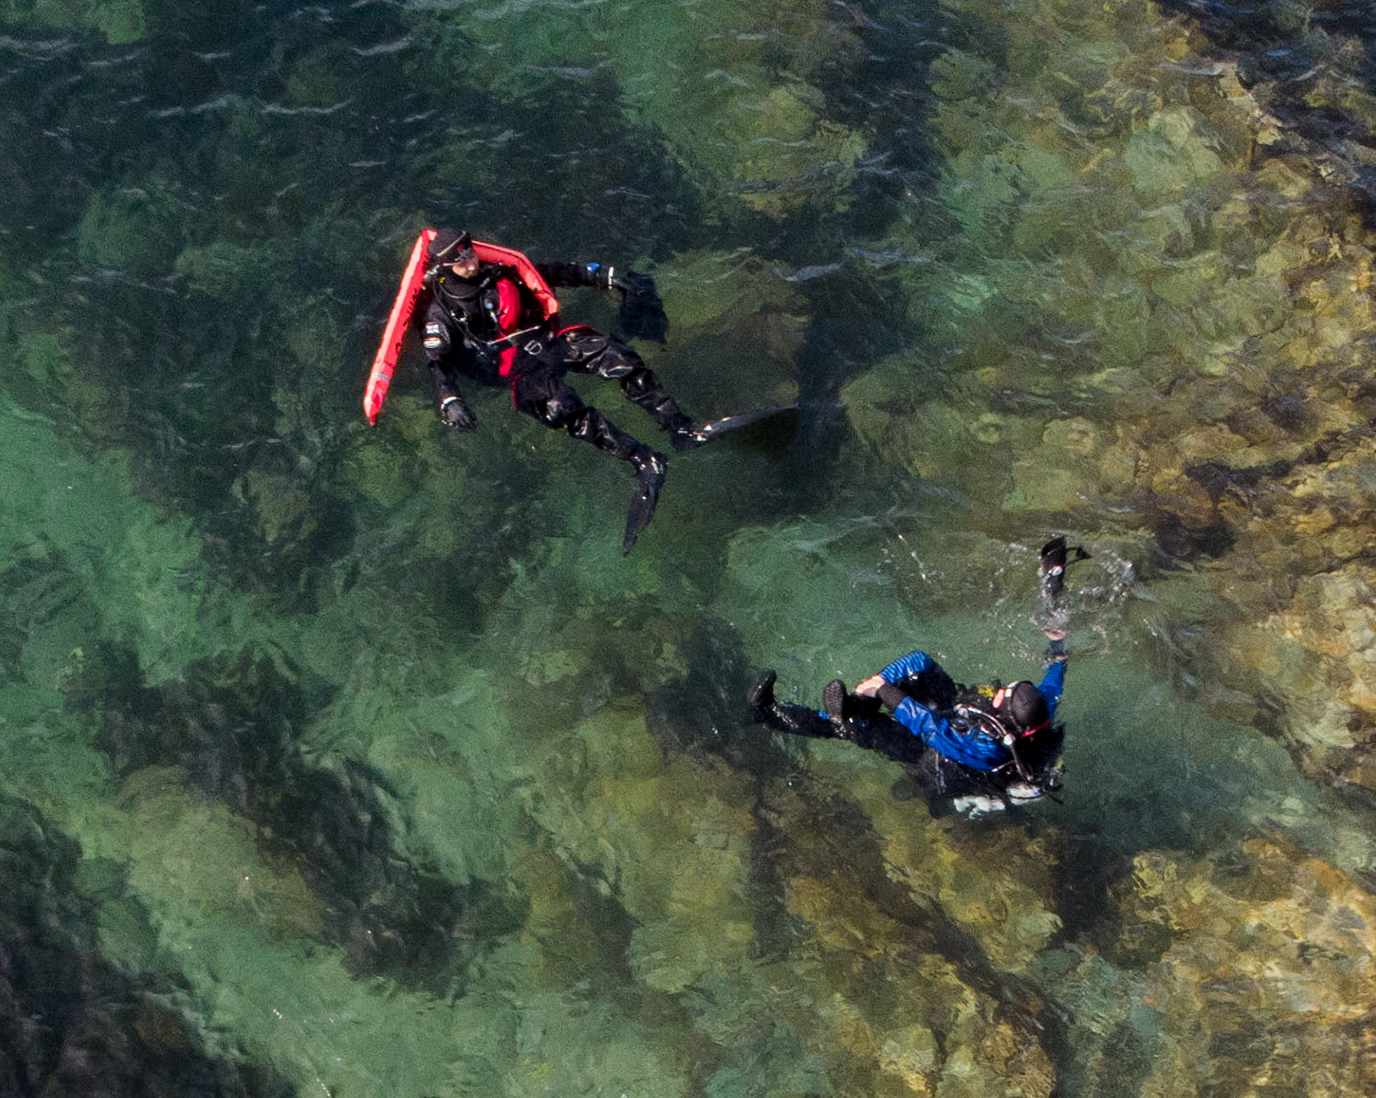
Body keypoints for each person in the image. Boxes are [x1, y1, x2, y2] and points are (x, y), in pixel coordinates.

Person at [403, 228, 742, 551]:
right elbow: (438, 362)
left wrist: (605, 276)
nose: (470, 261)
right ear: (445, 267)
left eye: (470, 252)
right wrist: (450, 399)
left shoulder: (500, 269)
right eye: (460, 260)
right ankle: (644, 460)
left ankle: (681, 428)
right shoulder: (442, 311)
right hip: (518, 371)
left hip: (548, 343)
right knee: (559, 406)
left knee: (616, 354)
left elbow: (555, 272)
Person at [755, 537, 1085, 815]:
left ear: (1005, 715)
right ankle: (859, 701)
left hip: (936, 760)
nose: (1002, 691)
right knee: (920, 666)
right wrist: (1057, 642)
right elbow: (1055, 675)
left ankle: (769, 713)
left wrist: (884, 689)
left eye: (1005, 695)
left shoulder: (984, 748)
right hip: (957, 719)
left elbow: (926, 725)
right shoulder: (1039, 712)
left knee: (859, 727)